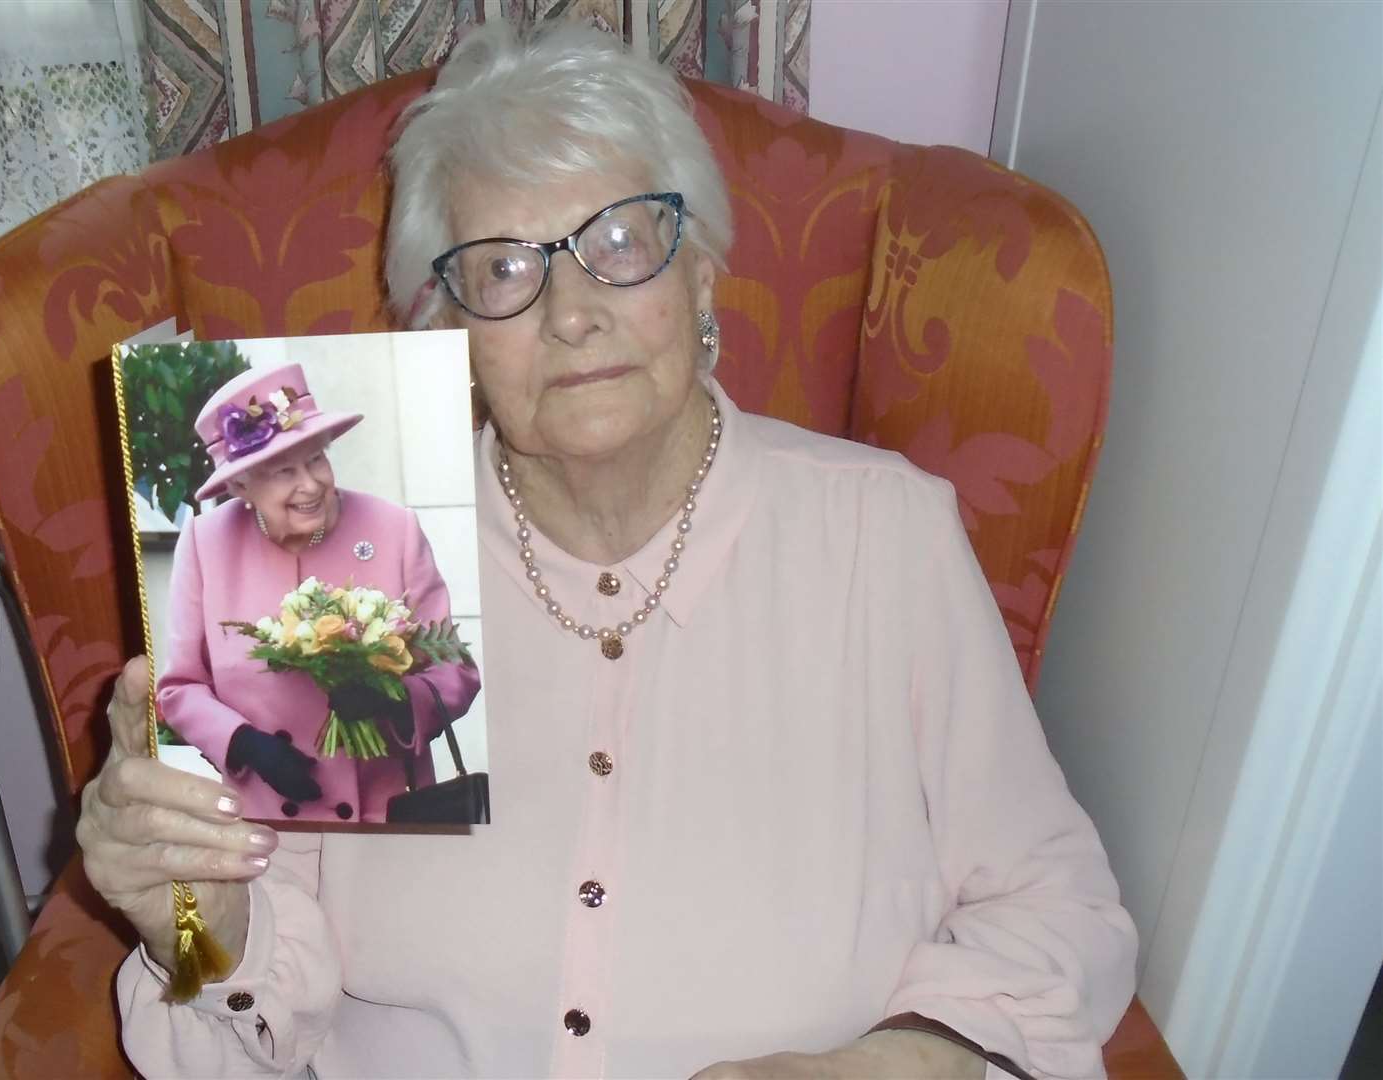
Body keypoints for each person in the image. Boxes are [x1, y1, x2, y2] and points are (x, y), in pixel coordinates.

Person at [75, 21, 1137, 1078]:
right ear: (446, 329)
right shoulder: (358, 565)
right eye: (502, 270)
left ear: (703, 281)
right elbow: (248, 1008)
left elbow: (1054, 907)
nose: (571, 314)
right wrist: (190, 908)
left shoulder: (883, 538)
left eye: (621, 242)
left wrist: (905, 1061)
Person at [155, 361, 481, 823]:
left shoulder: (393, 528)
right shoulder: (206, 543)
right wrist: (244, 743)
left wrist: (397, 701)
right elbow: (181, 689)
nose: (309, 484)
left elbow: (456, 669)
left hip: (385, 814)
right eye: (282, 471)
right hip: (266, 821)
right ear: (240, 486)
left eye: (315, 459)